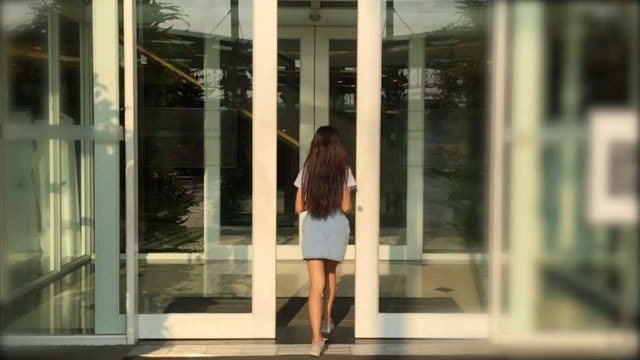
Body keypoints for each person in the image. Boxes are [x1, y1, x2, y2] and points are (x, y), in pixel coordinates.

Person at [294, 126, 356, 357]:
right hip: (336, 227)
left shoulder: (307, 170)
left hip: (314, 227)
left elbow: (299, 207)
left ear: (316, 145)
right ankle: (327, 318)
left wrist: (314, 202)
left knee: (315, 285)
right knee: (331, 274)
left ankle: (316, 339)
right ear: (338, 146)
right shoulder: (344, 170)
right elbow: (347, 207)